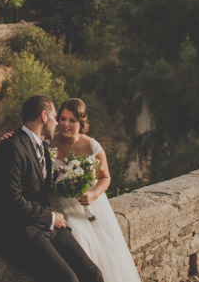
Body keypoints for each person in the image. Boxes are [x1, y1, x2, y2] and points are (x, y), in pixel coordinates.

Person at [0, 94, 103, 282]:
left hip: (45, 226)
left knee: (93, 274)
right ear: (43, 116)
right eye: (55, 117)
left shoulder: (44, 148)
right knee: (68, 279)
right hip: (16, 231)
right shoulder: (10, 148)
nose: (57, 123)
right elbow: (12, 202)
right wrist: (49, 217)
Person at [48, 99, 142, 282]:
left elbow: (105, 177)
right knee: (77, 241)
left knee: (104, 257)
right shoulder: (49, 142)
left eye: (72, 120)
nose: (65, 124)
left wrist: (93, 194)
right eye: (62, 119)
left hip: (89, 207)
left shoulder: (92, 146)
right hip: (59, 207)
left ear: (81, 123)